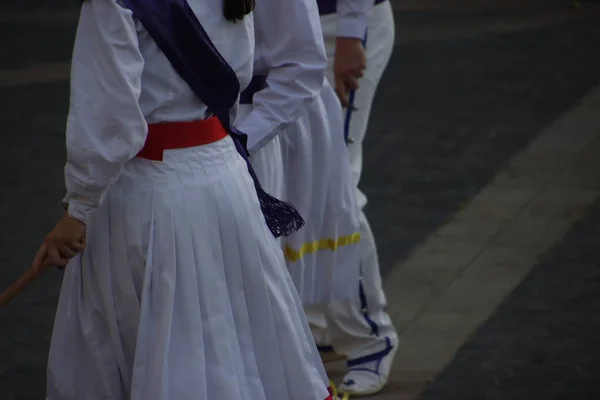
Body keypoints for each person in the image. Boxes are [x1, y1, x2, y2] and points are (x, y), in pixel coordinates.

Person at [32, 0, 334, 399]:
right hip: (226, 179)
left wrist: (79, 208)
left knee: (156, 338)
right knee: (234, 336)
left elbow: (108, 118)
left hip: (147, 192)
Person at [305, 0, 399, 396]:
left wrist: (351, 32)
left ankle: (370, 338)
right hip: (284, 30)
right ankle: (319, 324)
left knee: (334, 184)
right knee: (295, 181)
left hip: (339, 28)